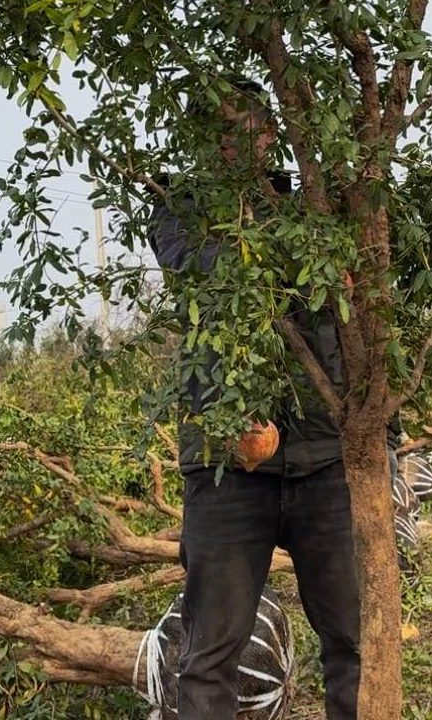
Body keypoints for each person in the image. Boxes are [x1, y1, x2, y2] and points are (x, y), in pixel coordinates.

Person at [147, 80, 396, 720]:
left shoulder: (310, 203)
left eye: (251, 126)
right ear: (201, 143)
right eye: (221, 131)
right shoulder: (178, 210)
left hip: (325, 456)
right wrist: (312, 259)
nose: (239, 143)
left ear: (271, 132)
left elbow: (361, 298)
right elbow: (205, 270)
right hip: (228, 465)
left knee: (354, 642)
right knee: (208, 659)